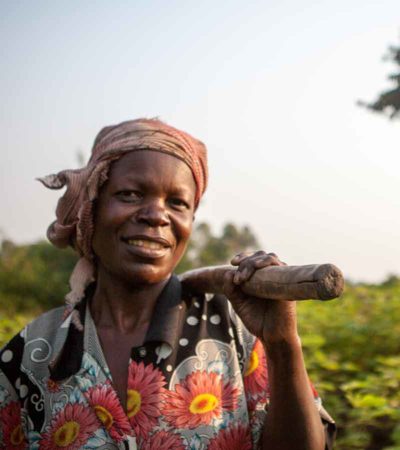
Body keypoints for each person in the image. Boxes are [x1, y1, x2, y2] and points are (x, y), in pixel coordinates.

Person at [0, 119, 336, 450]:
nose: (156, 214)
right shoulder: (32, 353)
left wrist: (282, 345)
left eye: (177, 203)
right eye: (130, 194)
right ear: (92, 208)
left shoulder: (234, 329)